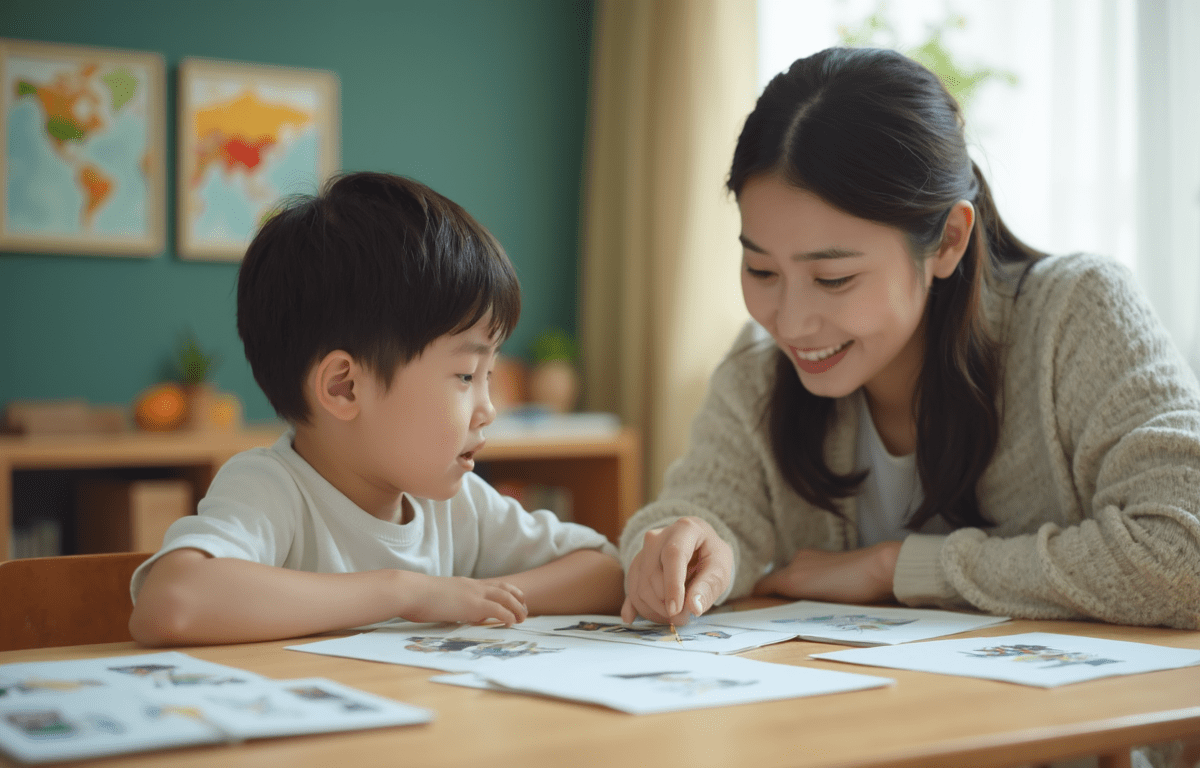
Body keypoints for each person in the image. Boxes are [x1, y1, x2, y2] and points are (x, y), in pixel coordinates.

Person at [619, 47, 1200, 632]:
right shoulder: (759, 371)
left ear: (948, 240)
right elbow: (701, 513)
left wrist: (899, 568)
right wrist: (685, 547)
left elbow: (1185, 552)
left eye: (834, 278)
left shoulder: (1077, 314)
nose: (789, 323)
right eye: (762, 271)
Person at [130, 172, 624, 646]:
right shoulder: (273, 489)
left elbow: (605, 572)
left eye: (489, 377)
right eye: (467, 376)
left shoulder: (456, 505)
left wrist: (476, 599)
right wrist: (406, 592)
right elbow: (173, 602)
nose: (489, 408)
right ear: (345, 387)